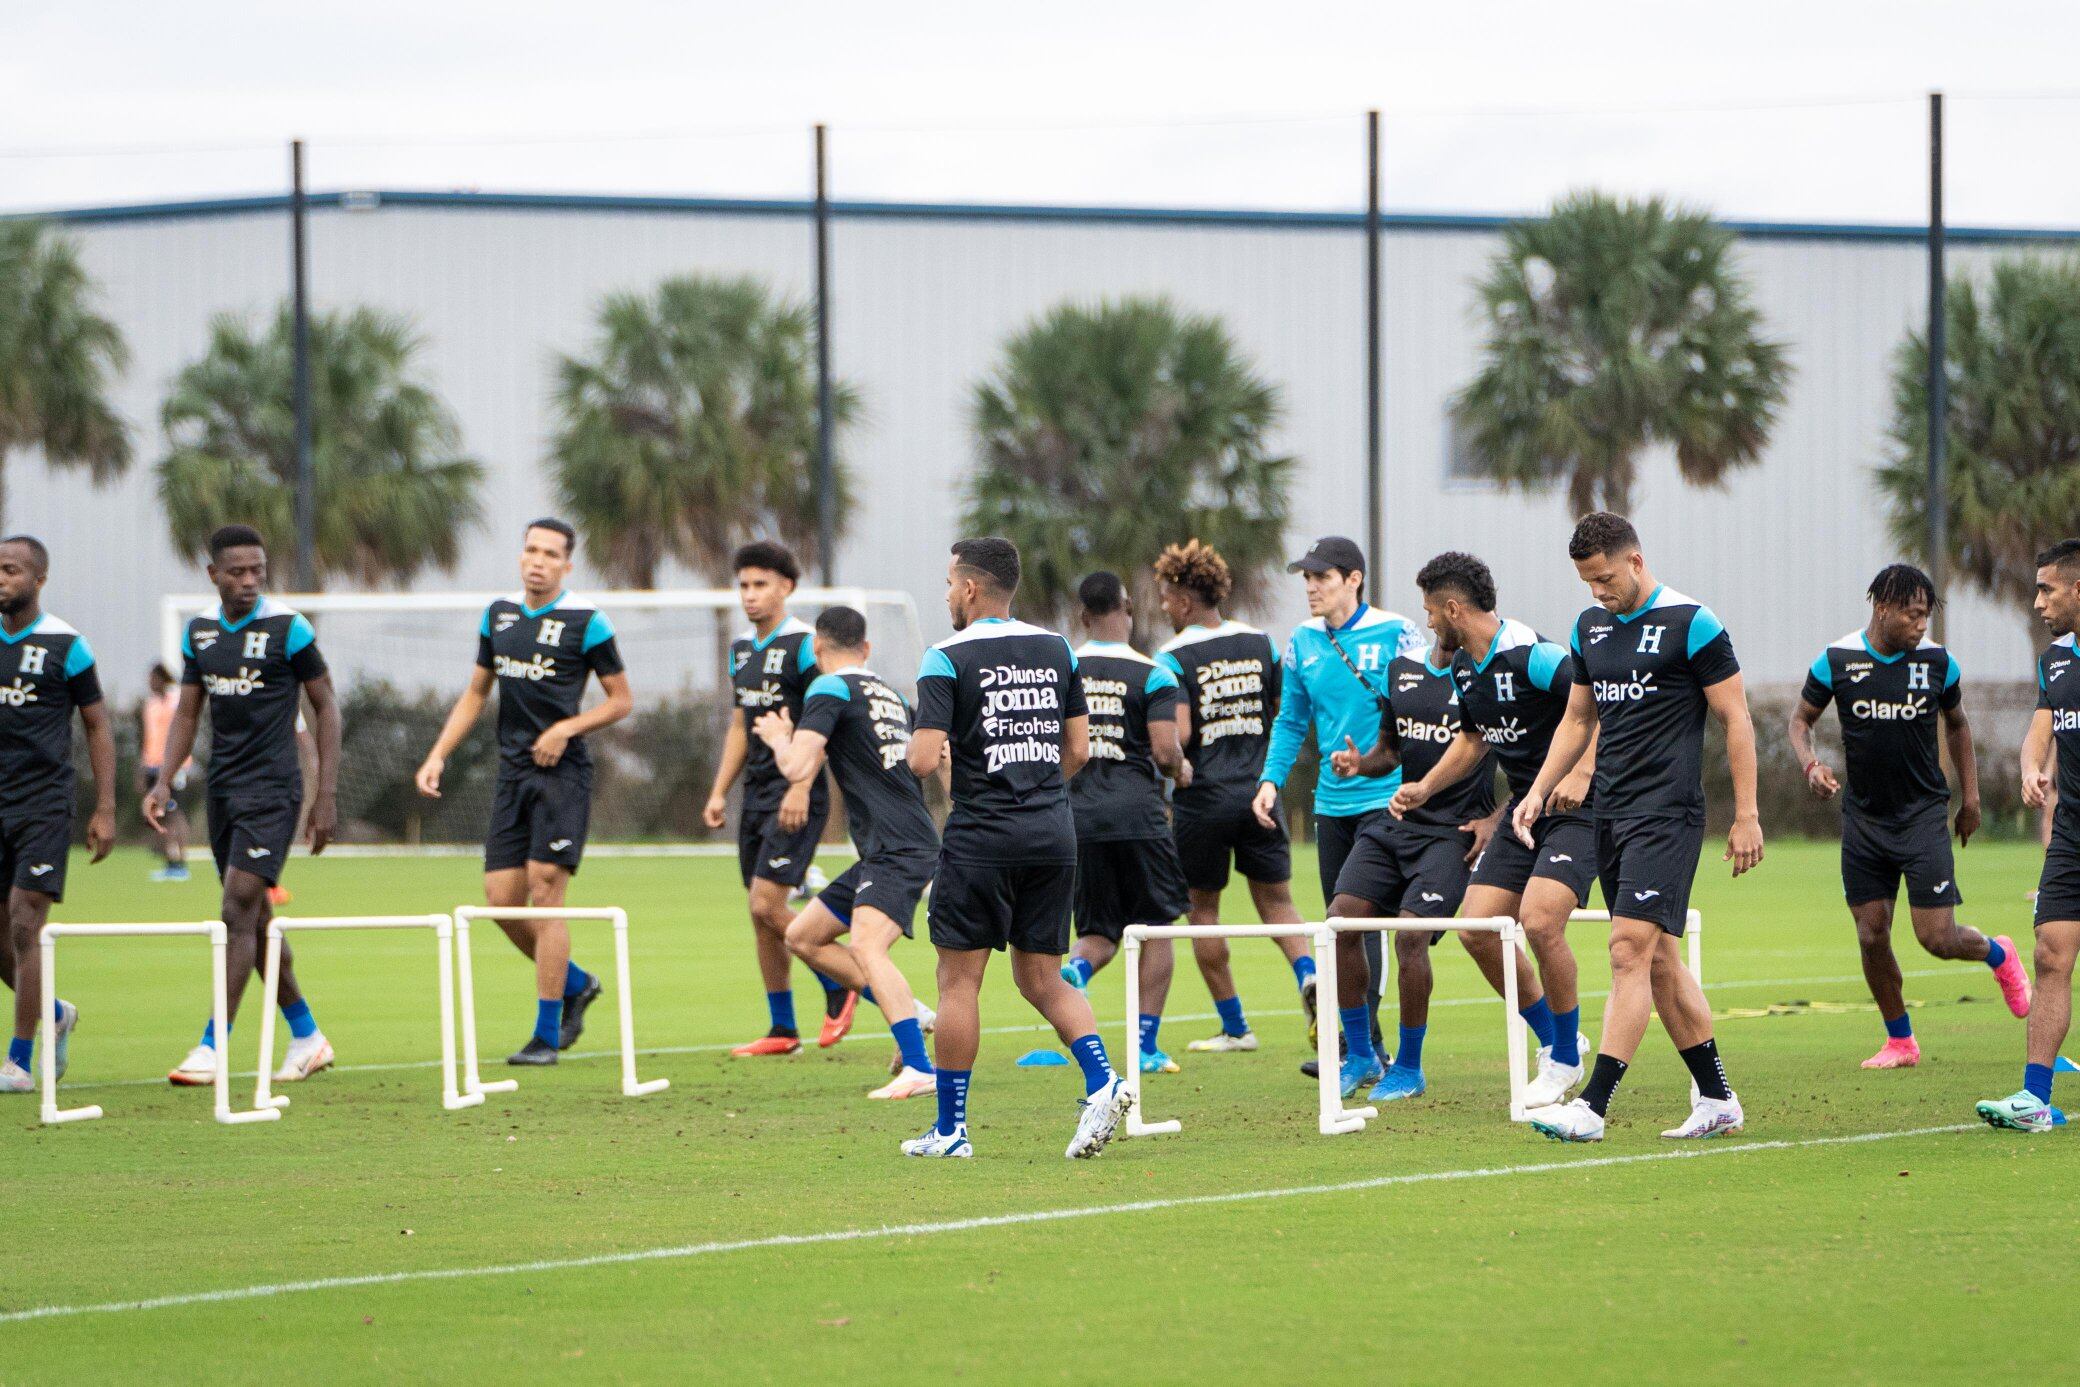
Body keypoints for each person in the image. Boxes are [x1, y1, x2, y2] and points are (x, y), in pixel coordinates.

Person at [1514, 512, 1761, 1142]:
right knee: (1660, 962)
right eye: (1587, 582)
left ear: (1636, 561)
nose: (1597, 591)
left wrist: (1747, 815)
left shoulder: (1692, 623)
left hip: (1667, 815)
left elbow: (1735, 718)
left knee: (1627, 949)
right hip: (1609, 813)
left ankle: (1592, 1107)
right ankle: (1717, 1099)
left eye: (1605, 578)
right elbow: (1577, 720)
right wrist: (1538, 790)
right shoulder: (1590, 627)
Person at [901, 536, 1129, 1159]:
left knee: (957, 982)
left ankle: (951, 1131)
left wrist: (917, 753)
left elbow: (922, 759)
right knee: (1043, 978)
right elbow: (1078, 751)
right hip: (1053, 834)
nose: (947, 594)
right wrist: (1033, 789)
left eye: (950, 583)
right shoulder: (1057, 649)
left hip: (981, 837)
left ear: (971, 588)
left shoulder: (945, 657)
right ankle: (1103, 1081)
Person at [1790, 563, 2030, 1071]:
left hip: (1922, 817)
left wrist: (1971, 799)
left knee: (1937, 939)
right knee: (1871, 934)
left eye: (1926, 616)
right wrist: (1811, 765)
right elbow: (1800, 721)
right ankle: (1900, 1041)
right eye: (1913, 615)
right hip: (1864, 820)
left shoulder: (1938, 663)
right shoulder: (1837, 660)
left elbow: (1958, 725)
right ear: (1882, 608)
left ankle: (1999, 954)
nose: (1922, 625)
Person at [415, 519, 632, 1065]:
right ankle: (577, 983)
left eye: (550, 554)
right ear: (521, 556)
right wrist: (438, 754)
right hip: (513, 774)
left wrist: (566, 729)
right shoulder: (498, 615)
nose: (538, 560)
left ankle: (545, 1035)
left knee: (546, 893)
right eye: (531, 550)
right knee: (500, 901)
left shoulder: (587, 621)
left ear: (567, 565)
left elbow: (621, 701)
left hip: (563, 776)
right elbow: (475, 693)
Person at [1387, 552, 1594, 1107]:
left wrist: (1582, 770)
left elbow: (1595, 702)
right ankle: (1559, 1042)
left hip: (1578, 807)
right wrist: (1426, 786)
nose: (1428, 621)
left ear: (1454, 609)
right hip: (1525, 807)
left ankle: (1565, 1061)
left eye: (1431, 611)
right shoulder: (1463, 666)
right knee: (1476, 929)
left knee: (1540, 923)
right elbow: (1473, 740)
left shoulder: (1531, 653)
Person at [146, 524, 341, 1088]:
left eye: (258, 570)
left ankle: (213, 1046)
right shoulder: (200, 633)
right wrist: (163, 780)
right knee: (254, 920)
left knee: (236, 909)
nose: (250, 580)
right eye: (238, 571)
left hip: (275, 791)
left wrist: (325, 795)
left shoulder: (288, 628)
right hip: (223, 791)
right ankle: (307, 1036)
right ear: (214, 574)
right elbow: (188, 711)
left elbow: (327, 707)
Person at [1252, 536, 1426, 1077]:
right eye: (1306, 578)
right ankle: (1363, 1049)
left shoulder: (1399, 632)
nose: (1310, 587)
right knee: (1341, 925)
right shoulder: (1302, 641)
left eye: (1321, 577)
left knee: (1361, 920)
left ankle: (1363, 1049)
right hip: (1331, 804)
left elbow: (1424, 705)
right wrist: (1270, 781)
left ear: (1354, 580)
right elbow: (1290, 721)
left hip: (1387, 799)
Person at [752, 605, 940, 1100]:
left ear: (817, 648)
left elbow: (797, 767)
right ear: (867, 648)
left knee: (867, 946)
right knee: (802, 935)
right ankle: (911, 1013)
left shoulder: (829, 688)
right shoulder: (892, 694)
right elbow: (929, 758)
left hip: (898, 847)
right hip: (893, 845)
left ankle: (919, 1067)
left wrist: (779, 739)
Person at [1319, 610, 1508, 1102]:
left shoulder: (1489, 678)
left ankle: (1408, 1066)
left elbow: (1531, 755)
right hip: (1397, 823)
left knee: (1410, 936)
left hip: (1453, 834)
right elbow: (1389, 751)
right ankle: (1361, 1056)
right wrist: (1360, 764)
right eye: (1431, 610)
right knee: (1340, 921)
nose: (1433, 617)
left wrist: (1496, 819)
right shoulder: (1401, 671)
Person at [1151, 540, 1317, 1054]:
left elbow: (1178, 734)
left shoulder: (1172, 656)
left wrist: (1168, 763)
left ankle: (1236, 1027)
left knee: (1203, 912)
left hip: (1202, 800)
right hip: (1259, 793)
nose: (1163, 605)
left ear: (1184, 599)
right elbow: (1283, 711)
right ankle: (1308, 974)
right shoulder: (1261, 643)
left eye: (1166, 596)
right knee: (1279, 903)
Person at [703, 542, 850, 1056]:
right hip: (757, 796)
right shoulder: (741, 650)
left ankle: (845, 979)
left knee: (766, 904)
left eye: (760, 584)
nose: (750, 594)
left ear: (786, 587)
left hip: (796, 793)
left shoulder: (806, 646)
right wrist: (719, 791)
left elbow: (824, 719)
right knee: (761, 913)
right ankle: (783, 1029)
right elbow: (739, 725)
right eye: (743, 585)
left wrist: (801, 785)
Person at [1058, 572, 1194, 1075]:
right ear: (1129, 607)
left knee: (1098, 930)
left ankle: (1076, 970)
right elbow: (1165, 752)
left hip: (1078, 819)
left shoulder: (1065, 668)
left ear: (1082, 616)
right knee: (1156, 929)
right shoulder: (1153, 673)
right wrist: (1181, 769)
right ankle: (1145, 1046)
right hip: (1138, 818)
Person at [0, 537, 114, 1093]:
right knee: (2, 939)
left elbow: (97, 725)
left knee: (25, 921)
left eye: (10, 569)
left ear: (39, 579)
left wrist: (106, 808)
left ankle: (19, 1062)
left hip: (43, 804)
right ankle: (56, 1012)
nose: (1, 578)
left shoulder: (66, 645)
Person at [1979, 538, 2080, 1131]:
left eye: (2047, 589)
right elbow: (2040, 731)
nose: (2037, 602)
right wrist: (2030, 769)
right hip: (2071, 833)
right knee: (2049, 952)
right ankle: (2035, 1099)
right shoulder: (2055, 662)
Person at [140, 663, 193, 882]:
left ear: (162, 679)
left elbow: (182, 733)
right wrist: (143, 767)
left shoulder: (175, 702)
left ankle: (180, 862)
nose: (150, 683)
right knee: (160, 814)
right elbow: (148, 738)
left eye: (153, 679)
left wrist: (176, 764)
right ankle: (170, 861)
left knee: (173, 813)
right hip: (153, 766)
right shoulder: (150, 705)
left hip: (173, 767)